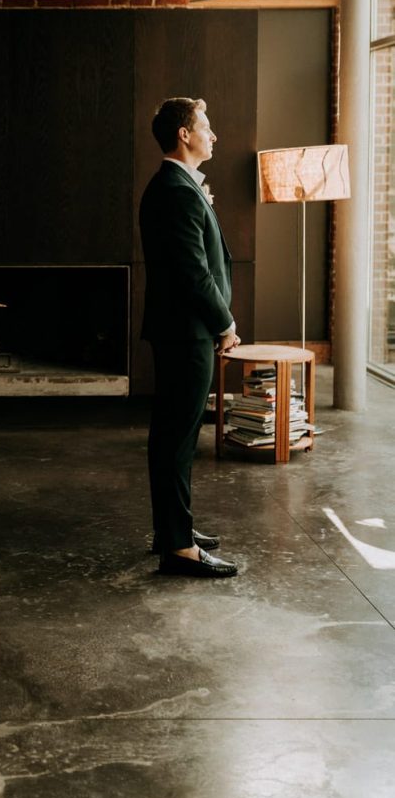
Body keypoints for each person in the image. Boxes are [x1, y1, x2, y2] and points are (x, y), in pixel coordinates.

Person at [139, 97, 240, 578]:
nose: (213, 134)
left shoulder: (179, 186)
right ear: (184, 134)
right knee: (178, 440)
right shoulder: (176, 190)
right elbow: (193, 274)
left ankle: (172, 530)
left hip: (184, 332)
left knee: (174, 437)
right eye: (205, 125)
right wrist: (225, 323)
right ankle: (177, 547)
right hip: (186, 334)